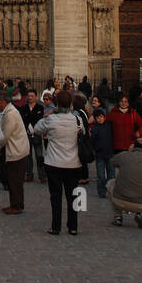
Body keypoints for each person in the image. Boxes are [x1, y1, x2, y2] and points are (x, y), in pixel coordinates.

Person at [32, 89, 85, 235]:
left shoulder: (51, 119)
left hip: (54, 162)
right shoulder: (77, 120)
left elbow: (36, 129)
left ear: (57, 104)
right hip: (73, 163)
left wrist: (47, 115)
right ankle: (73, 226)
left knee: (56, 196)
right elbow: (84, 134)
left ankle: (56, 226)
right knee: (73, 195)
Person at [107, 135, 142, 229]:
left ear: (133, 146)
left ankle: (118, 216)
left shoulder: (124, 156)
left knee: (110, 184)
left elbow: (112, 161)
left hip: (120, 200)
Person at [0, 86, 30, 215]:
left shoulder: (10, 114)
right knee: (13, 178)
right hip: (16, 149)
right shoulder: (8, 111)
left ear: (2, 101)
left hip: (17, 150)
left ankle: (17, 205)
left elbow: (5, 135)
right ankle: (15, 203)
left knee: (15, 180)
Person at [90, 106, 116, 198]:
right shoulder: (95, 128)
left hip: (110, 153)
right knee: (101, 175)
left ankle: (112, 191)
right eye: (97, 117)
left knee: (111, 175)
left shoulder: (109, 125)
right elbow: (92, 141)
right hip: (99, 154)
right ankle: (101, 192)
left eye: (101, 117)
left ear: (104, 117)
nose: (100, 119)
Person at [23, 88, 46, 183]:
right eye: (29, 96)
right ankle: (29, 174)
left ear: (36, 97)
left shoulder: (40, 107)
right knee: (28, 156)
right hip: (27, 133)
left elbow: (41, 119)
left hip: (37, 133)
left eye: (32, 96)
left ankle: (42, 175)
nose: (30, 98)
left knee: (39, 155)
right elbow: (23, 119)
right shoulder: (24, 108)